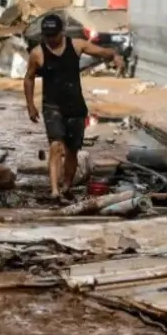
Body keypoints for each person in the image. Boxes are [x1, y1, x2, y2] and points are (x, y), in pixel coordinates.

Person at [24, 13, 124, 201]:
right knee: (55, 145)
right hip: (51, 106)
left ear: (62, 32)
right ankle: (54, 190)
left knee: (72, 151)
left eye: (54, 35)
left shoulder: (76, 45)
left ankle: (66, 188)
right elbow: (28, 78)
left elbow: (101, 51)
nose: (51, 39)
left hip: (75, 106)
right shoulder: (37, 53)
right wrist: (30, 105)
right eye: (47, 36)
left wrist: (115, 56)